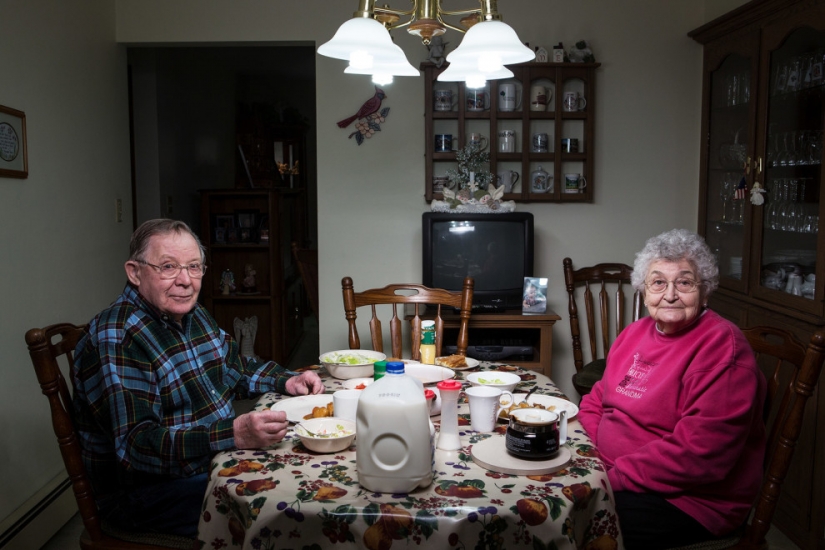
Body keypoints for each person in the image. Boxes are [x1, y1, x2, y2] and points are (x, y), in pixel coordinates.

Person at [71, 219, 324, 537]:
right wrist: (234, 436)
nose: (185, 280)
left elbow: (234, 369)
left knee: (302, 470)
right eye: (168, 267)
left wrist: (286, 380)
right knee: (293, 509)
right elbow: (137, 447)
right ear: (135, 272)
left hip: (213, 462)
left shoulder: (192, 313)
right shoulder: (119, 335)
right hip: (148, 495)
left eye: (194, 267)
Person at [578, 228, 766, 549]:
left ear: (704, 291)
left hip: (689, 501)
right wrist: (591, 458)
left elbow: (700, 453)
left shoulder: (722, 347)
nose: (670, 294)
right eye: (658, 282)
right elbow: (596, 401)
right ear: (644, 290)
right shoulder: (635, 332)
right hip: (612, 472)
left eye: (684, 282)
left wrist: (612, 477)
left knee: (575, 521)